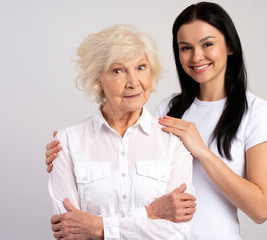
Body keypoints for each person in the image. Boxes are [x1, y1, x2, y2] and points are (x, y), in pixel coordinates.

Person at [46, 2, 267, 239]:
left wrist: (203, 152)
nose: (197, 56)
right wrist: (70, 155)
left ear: (229, 45)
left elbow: (261, 210)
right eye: (185, 48)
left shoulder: (255, 112)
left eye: (207, 44)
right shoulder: (168, 109)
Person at [48, 24, 195, 240]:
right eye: (118, 71)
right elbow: (70, 232)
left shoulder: (173, 142)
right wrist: (149, 214)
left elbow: (177, 234)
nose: (134, 82)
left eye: (141, 67)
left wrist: (98, 228)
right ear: (98, 79)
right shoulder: (67, 142)